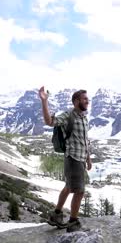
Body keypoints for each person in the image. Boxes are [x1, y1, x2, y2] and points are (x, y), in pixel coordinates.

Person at [38, 86, 92, 232]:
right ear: (76, 101)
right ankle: (73, 222)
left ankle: (56, 215)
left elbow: (85, 140)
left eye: (88, 99)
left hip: (80, 158)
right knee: (79, 191)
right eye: (84, 99)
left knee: (69, 187)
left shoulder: (84, 118)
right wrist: (44, 101)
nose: (88, 101)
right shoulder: (68, 115)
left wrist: (88, 159)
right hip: (73, 157)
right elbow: (50, 122)